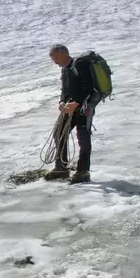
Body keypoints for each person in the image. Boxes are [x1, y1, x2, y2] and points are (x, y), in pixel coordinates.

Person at [46, 44, 96, 184]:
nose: (54, 61)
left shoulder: (80, 65)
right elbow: (65, 90)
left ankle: (83, 171)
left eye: (55, 58)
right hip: (69, 108)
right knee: (59, 132)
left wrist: (77, 103)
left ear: (63, 54)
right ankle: (61, 168)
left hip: (83, 108)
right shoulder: (65, 69)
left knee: (83, 137)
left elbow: (89, 87)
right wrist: (62, 102)